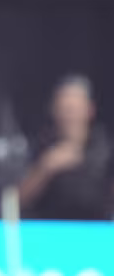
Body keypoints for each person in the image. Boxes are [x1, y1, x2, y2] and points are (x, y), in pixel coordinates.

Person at [18, 75, 112, 220]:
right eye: (63, 108)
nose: (69, 115)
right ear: (53, 111)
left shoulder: (106, 148)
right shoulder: (39, 146)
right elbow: (14, 202)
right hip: (49, 232)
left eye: (74, 109)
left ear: (89, 110)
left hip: (98, 232)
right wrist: (45, 168)